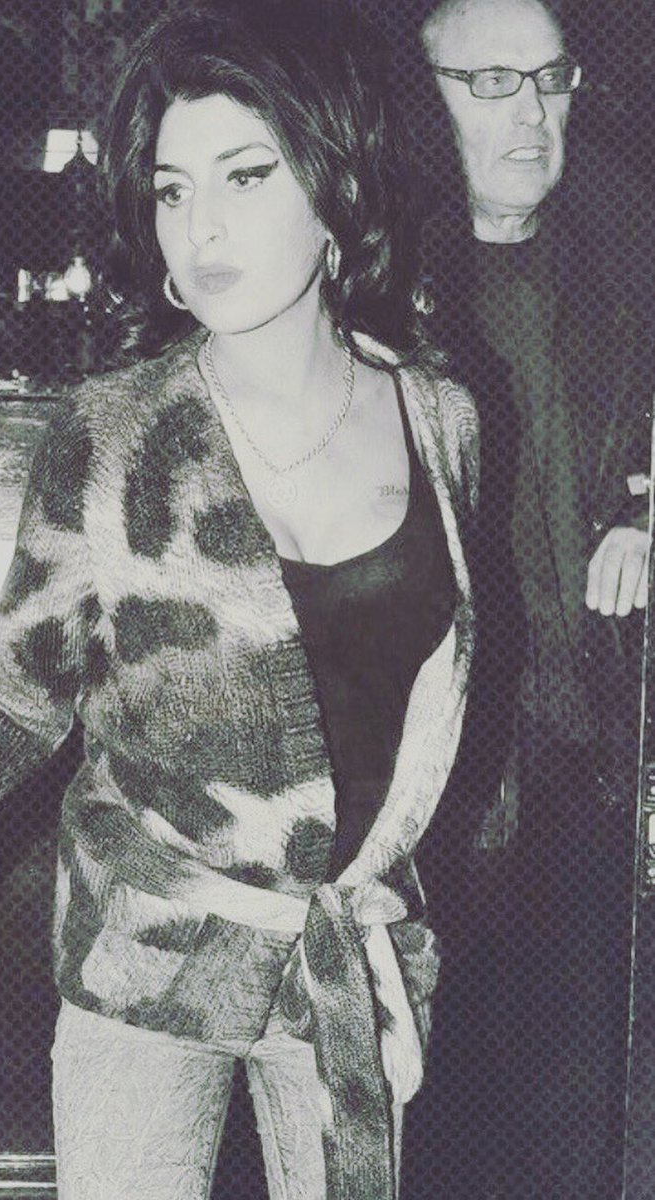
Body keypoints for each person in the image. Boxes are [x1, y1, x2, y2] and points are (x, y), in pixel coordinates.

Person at [0, 3, 478, 1196]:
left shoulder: (442, 418)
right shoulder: (110, 433)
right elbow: (15, 702)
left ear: (337, 190)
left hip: (344, 968)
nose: (200, 229)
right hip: (147, 955)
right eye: (170, 191)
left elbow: (421, 709)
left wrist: (388, 927)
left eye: (246, 176)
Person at [402, 1, 653, 1196]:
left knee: (573, 1110)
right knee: (431, 1103)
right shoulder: (371, 278)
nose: (532, 113)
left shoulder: (626, 251)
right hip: (424, 759)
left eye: (549, 79)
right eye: (491, 82)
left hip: (585, 746)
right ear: (424, 98)